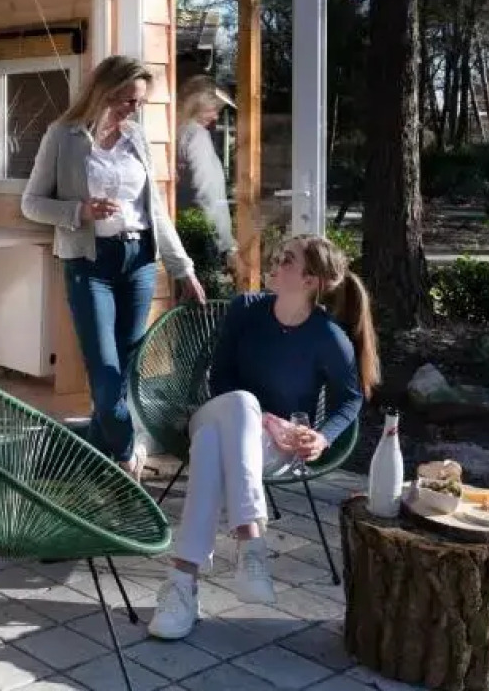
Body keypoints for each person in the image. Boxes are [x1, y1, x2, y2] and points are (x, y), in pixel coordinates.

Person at [148, 233, 380, 641]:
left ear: (311, 281)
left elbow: (350, 400)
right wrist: (264, 416)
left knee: (209, 450)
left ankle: (182, 585)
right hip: (217, 414)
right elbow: (221, 379)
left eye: (287, 260)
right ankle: (250, 541)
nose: (275, 263)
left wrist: (322, 438)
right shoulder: (246, 309)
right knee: (239, 403)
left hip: (270, 449)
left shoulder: (329, 338)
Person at [22, 55, 205, 480]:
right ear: (103, 90)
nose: (131, 110)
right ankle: (126, 458)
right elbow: (31, 203)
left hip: (139, 259)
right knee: (104, 367)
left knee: (125, 368)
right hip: (90, 263)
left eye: (138, 103)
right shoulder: (62, 136)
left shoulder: (136, 137)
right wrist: (80, 211)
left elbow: (154, 208)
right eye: (126, 100)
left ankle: (95, 463)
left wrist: (184, 269)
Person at [175, 75, 237, 278]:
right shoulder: (197, 136)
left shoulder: (176, 133)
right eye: (214, 110)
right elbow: (205, 194)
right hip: (204, 240)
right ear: (197, 106)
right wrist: (223, 243)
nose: (217, 117)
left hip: (185, 234)